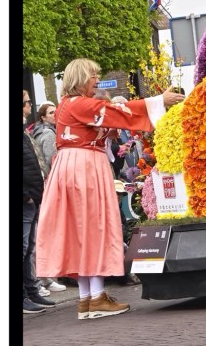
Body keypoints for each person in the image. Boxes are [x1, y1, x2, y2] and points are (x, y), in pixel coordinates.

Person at [36, 60, 184, 321]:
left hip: (69, 167)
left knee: (79, 231)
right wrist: (159, 100)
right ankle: (97, 297)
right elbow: (118, 111)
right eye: (93, 75)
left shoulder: (65, 106)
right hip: (85, 167)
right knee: (95, 227)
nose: (96, 79)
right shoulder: (81, 104)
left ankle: (87, 299)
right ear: (81, 77)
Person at [30, 102, 68, 296]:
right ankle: (45, 278)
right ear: (43, 117)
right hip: (48, 188)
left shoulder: (41, 132)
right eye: (51, 112)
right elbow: (51, 163)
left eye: (56, 111)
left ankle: (45, 278)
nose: (55, 115)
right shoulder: (48, 135)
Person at [23, 91, 55, 314]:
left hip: (33, 196)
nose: (29, 106)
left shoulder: (25, 132)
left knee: (29, 246)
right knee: (23, 247)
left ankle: (31, 291)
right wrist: (26, 193)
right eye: (27, 102)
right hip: (27, 198)